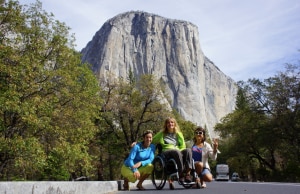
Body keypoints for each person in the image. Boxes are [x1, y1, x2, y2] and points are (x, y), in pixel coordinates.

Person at [152, 117, 193, 189]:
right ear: (166, 124)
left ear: (174, 124)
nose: (170, 124)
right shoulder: (162, 133)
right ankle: (181, 174)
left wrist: (180, 152)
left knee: (188, 150)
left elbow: (183, 146)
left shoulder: (179, 134)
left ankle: (188, 174)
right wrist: (139, 143)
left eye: (172, 122)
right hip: (166, 152)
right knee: (176, 151)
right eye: (168, 122)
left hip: (177, 151)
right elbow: (152, 140)